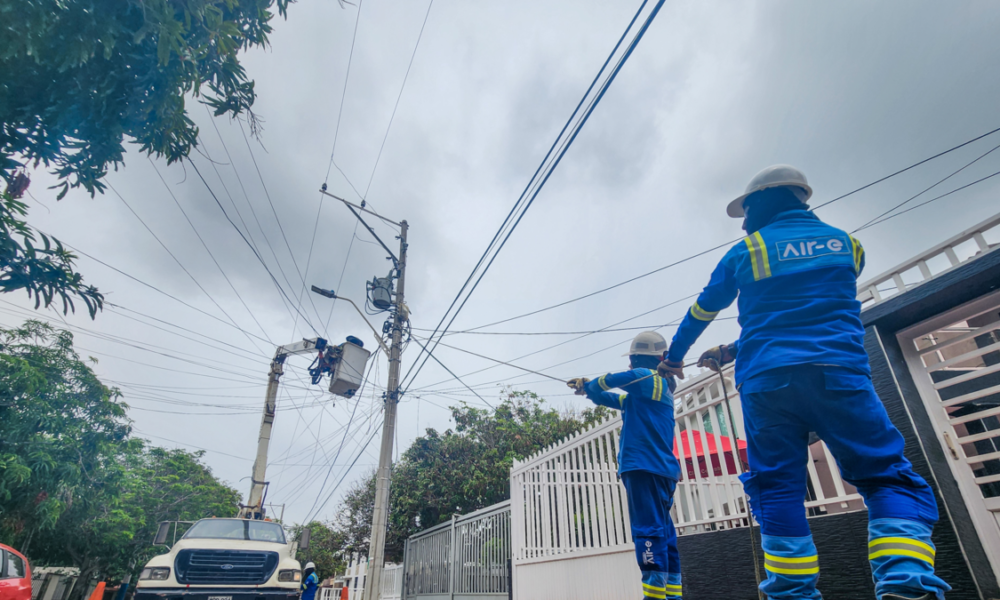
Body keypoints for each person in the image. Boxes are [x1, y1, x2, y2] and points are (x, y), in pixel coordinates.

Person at [657, 165, 949, 600]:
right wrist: (732, 349)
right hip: (840, 374)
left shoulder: (746, 251)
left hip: (768, 383)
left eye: (746, 210)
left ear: (762, 204)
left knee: (777, 487)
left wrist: (674, 358)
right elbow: (807, 314)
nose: (742, 222)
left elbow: (704, 309)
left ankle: (792, 592)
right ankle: (905, 577)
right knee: (885, 476)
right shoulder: (848, 246)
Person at [568, 331, 683, 600]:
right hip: (662, 472)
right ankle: (673, 596)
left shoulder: (648, 379)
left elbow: (610, 381)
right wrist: (588, 390)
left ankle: (653, 596)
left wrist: (593, 382)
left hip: (643, 468)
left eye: (632, 361)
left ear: (635, 360)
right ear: (662, 356)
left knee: (648, 533)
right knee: (664, 535)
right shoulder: (648, 395)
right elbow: (607, 397)